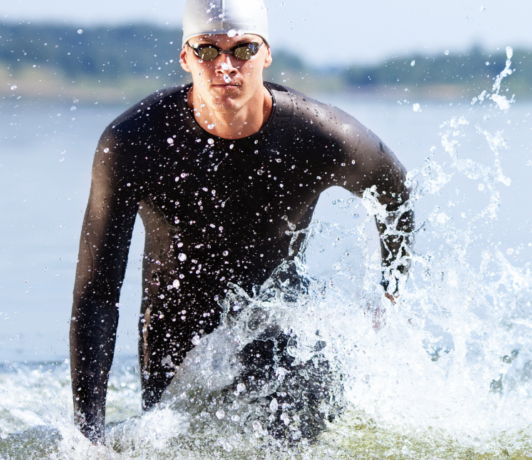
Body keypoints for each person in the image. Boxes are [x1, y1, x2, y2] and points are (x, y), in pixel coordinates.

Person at [69, 0, 413, 444]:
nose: (225, 66)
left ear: (266, 55)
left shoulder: (319, 135)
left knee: (288, 421)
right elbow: (97, 294)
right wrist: (87, 440)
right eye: (208, 50)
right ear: (185, 57)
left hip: (280, 327)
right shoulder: (136, 142)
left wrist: (391, 291)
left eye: (243, 49)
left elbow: (395, 192)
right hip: (176, 338)